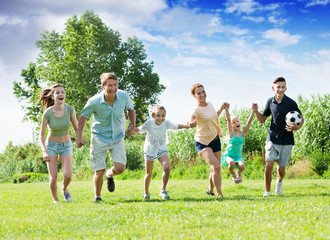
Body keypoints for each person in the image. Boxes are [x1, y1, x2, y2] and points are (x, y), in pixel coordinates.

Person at [76, 72, 135, 202]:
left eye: (115, 85)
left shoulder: (124, 96)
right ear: (103, 86)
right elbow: (83, 117)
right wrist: (79, 136)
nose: (113, 88)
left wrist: (132, 125)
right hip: (99, 137)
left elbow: (130, 109)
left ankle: (110, 174)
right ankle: (98, 197)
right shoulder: (94, 101)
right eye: (109, 85)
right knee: (99, 170)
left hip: (117, 137)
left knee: (120, 168)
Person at [252, 77, 304, 197]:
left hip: (287, 139)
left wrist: (297, 127)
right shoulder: (270, 102)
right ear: (273, 88)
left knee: (281, 169)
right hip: (272, 138)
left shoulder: (291, 103)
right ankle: (267, 192)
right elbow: (262, 119)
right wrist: (256, 112)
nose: (280, 89)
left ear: (285, 88)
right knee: (269, 164)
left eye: (282, 87)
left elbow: (301, 118)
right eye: (278, 87)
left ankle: (279, 182)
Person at [134, 105, 191, 200]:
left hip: (161, 148)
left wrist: (187, 126)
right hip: (150, 150)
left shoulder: (166, 123)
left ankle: (163, 190)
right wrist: (132, 130)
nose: (161, 118)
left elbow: (176, 126)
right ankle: (146, 193)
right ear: (153, 116)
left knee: (167, 167)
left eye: (163, 116)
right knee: (149, 174)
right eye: (158, 116)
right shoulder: (149, 123)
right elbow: (140, 129)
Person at [38, 84, 78, 203]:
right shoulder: (47, 113)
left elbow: (76, 129)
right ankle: (56, 200)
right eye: (57, 93)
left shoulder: (70, 110)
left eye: (62, 92)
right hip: (51, 146)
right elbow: (41, 135)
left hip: (66, 145)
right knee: (54, 177)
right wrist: (44, 151)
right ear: (53, 96)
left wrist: (79, 137)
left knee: (68, 175)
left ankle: (64, 189)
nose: (61, 94)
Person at [189, 83, 224, 197]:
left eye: (203, 91)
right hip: (202, 142)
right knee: (216, 166)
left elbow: (213, 117)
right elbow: (191, 118)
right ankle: (220, 194)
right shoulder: (196, 109)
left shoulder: (210, 104)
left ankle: (210, 189)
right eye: (199, 93)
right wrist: (192, 122)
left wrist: (222, 108)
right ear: (194, 96)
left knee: (214, 168)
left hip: (215, 139)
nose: (202, 94)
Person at [221, 102, 254, 184]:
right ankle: (233, 174)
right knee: (231, 163)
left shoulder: (243, 134)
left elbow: (248, 122)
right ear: (232, 126)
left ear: (240, 122)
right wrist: (226, 110)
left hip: (238, 156)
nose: (236, 123)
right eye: (234, 122)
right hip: (228, 155)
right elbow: (228, 120)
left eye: (237, 121)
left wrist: (253, 111)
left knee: (242, 167)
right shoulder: (231, 134)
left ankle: (239, 172)